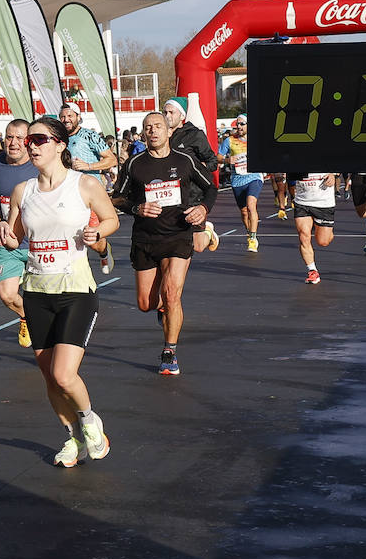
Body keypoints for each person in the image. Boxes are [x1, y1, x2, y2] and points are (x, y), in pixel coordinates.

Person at [0, 116, 118, 467]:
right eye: (28, 139)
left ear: (60, 145)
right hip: (36, 291)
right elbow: (15, 236)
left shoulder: (84, 184)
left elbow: (111, 219)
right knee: (49, 375)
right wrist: (3, 231)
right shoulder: (24, 191)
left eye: (39, 139)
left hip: (76, 289)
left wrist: (99, 233)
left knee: (65, 373)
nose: (31, 145)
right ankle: (73, 438)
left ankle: (90, 421)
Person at [112, 110, 217, 376]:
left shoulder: (185, 161)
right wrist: (138, 208)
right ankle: (162, 309)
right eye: (148, 127)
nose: (153, 131)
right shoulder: (134, 163)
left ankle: (169, 351)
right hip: (146, 238)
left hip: (178, 234)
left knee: (172, 295)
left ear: (169, 131)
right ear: (143, 133)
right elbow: (118, 199)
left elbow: (211, 187)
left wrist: (203, 209)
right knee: (146, 303)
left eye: (158, 126)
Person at [0, 120, 39, 347]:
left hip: (37, 243)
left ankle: (44, 324)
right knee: (7, 296)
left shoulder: (39, 164)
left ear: (28, 141)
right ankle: (27, 318)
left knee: (45, 298)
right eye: (9, 137)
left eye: (19, 138)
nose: (13, 143)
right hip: (7, 239)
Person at [59, 103, 117, 273]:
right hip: (66, 193)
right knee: (68, 233)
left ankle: (104, 250)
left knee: (91, 239)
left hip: (90, 194)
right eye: (63, 116)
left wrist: (88, 165)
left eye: (70, 116)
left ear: (78, 117)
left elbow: (111, 160)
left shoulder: (89, 136)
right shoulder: (58, 139)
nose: (66, 119)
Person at [162, 96, 220, 253]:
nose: (167, 116)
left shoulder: (194, 135)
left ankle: (208, 230)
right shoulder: (160, 135)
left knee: (199, 247)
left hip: (193, 195)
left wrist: (196, 169)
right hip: (169, 195)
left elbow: (212, 162)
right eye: (165, 112)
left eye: (171, 112)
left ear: (182, 115)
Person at [219, 115, 262, 252]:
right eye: (237, 124)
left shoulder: (256, 139)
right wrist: (227, 160)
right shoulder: (229, 141)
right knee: (244, 212)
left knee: (251, 205)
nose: (239, 127)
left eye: (242, 124)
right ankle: (250, 234)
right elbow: (218, 157)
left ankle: (252, 239)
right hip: (237, 180)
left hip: (254, 176)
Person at [286, 171, 337, 284]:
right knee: (303, 236)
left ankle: (327, 231)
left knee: (323, 241)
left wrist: (334, 174)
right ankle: (312, 271)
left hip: (323, 203)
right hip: (302, 202)